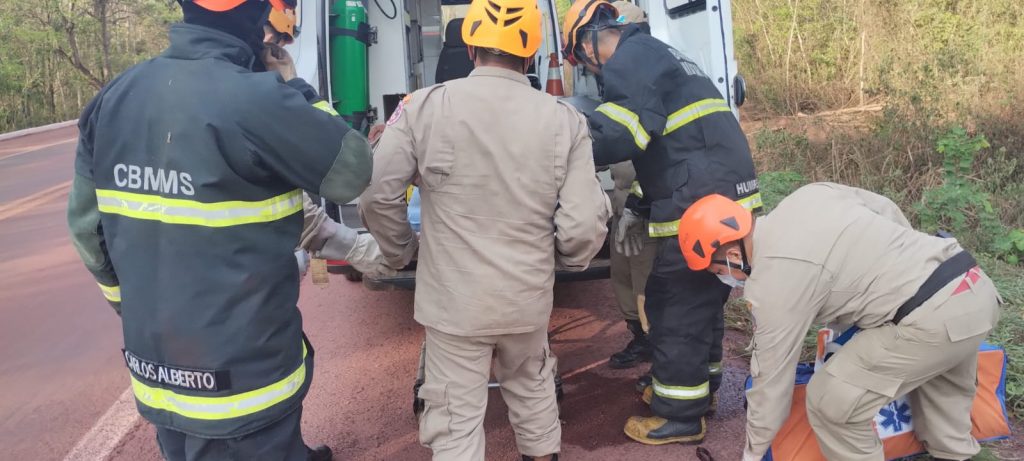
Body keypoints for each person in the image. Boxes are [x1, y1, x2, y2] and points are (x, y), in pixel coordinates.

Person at [66, 0, 382, 459]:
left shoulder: (113, 97)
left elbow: (85, 230)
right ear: (257, 16)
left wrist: (127, 305)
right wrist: (294, 85)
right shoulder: (261, 99)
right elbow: (352, 170)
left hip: (157, 367)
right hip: (246, 375)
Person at [359, 0, 611, 458]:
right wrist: (564, 260)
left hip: (453, 304)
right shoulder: (564, 120)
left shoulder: (422, 108)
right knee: (534, 392)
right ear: (531, 56)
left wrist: (403, 252)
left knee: (454, 422)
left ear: (471, 48)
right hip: (526, 299)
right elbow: (583, 222)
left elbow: (377, 195)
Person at [676, 183, 1003, 461]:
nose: (724, 279)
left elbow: (771, 381)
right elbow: (885, 208)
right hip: (972, 288)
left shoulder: (772, 283)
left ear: (733, 256)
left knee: (831, 401)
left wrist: (753, 452)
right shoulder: (809, 196)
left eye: (718, 271)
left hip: (929, 319)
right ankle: (957, 453)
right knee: (943, 397)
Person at [561, 0, 761, 445]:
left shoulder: (628, 60)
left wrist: (565, 139)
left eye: (581, 60)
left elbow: (621, 135)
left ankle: (680, 416)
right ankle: (699, 389)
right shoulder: (658, 53)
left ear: (587, 43)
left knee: (673, 306)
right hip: (724, 196)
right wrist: (637, 203)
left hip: (700, 201)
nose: (588, 69)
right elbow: (665, 145)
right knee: (703, 300)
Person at [602, 0, 657, 370]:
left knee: (645, 283)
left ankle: (660, 356)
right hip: (623, 199)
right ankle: (641, 339)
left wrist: (638, 205)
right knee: (621, 275)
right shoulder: (618, 80)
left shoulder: (649, 80)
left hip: (645, 204)